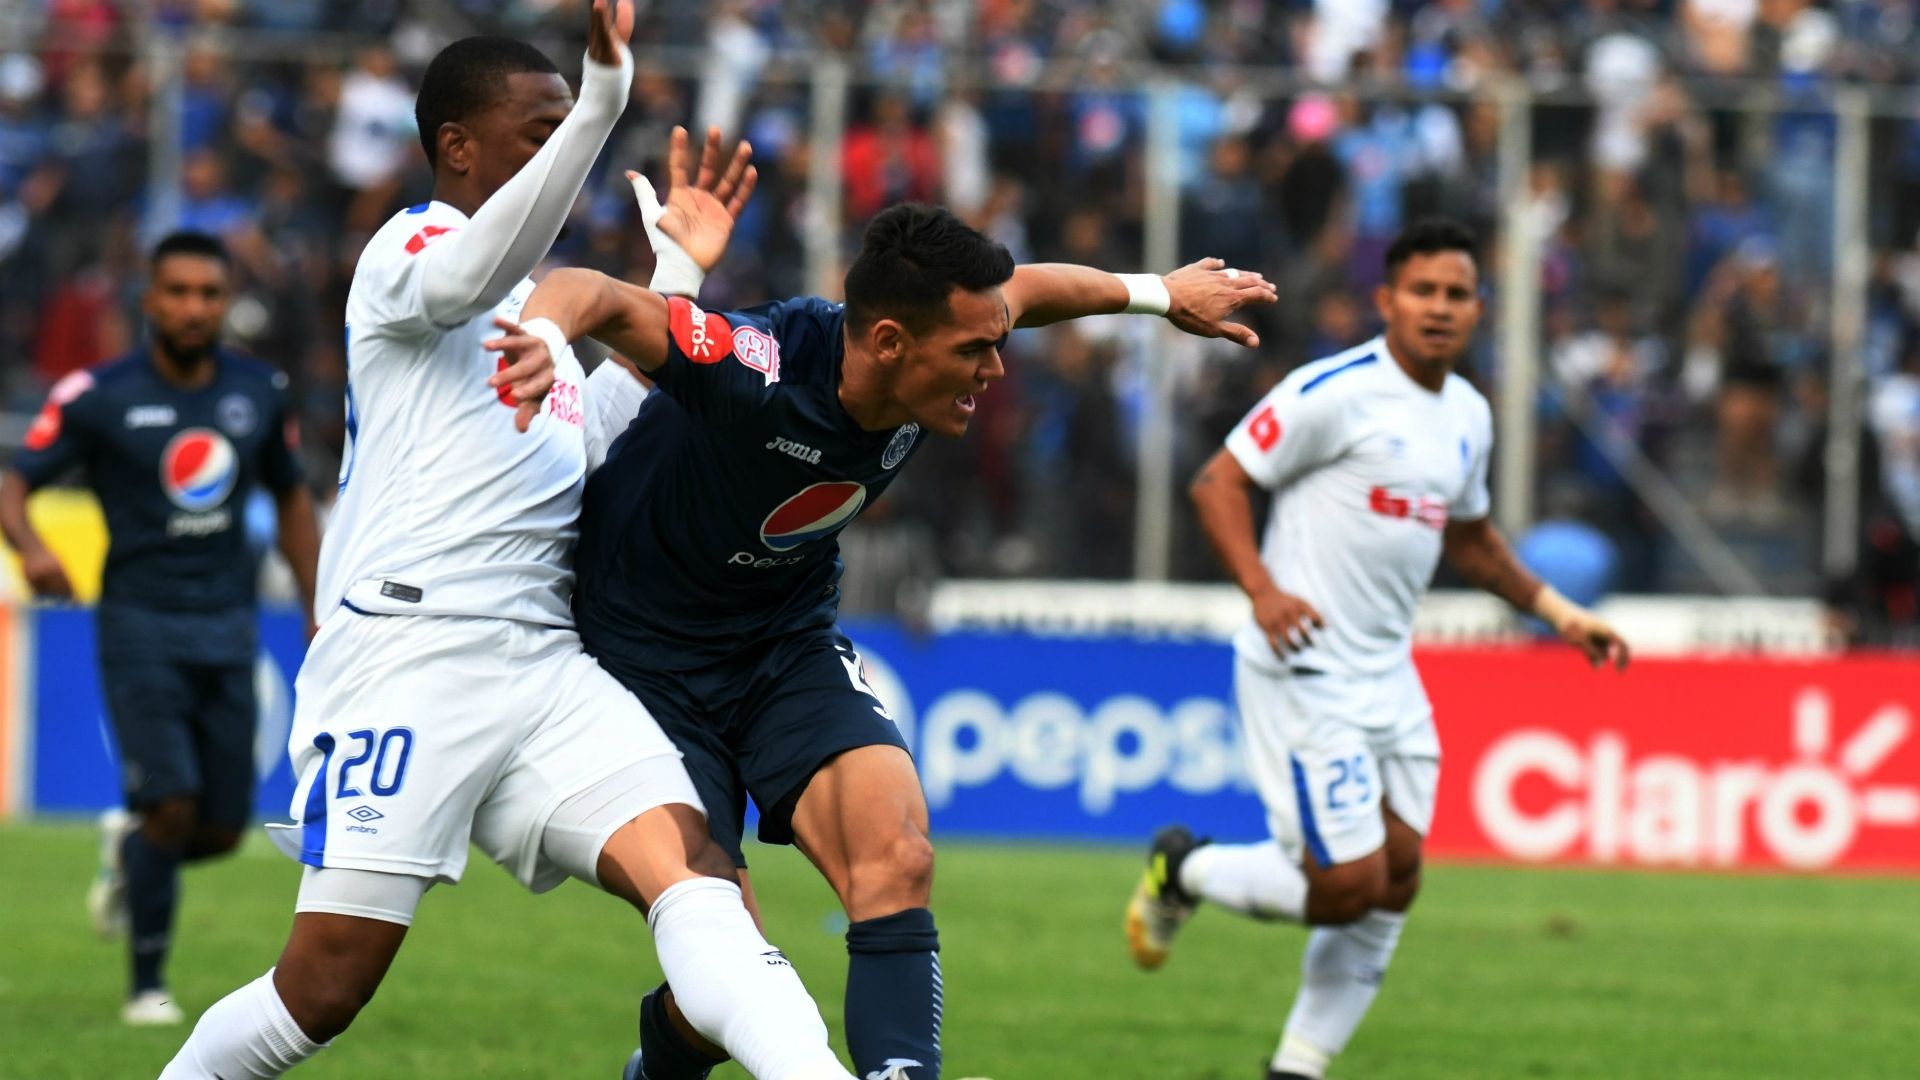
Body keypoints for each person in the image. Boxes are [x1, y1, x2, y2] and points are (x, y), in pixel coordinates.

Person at [158, 5, 853, 1078]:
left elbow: (600, 445)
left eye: (569, 128)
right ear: (457, 147)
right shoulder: (409, 253)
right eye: (540, 131)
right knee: (323, 991)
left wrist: (675, 275)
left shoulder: (536, 312)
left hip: (543, 667)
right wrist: (606, 103)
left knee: (698, 872)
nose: (559, 150)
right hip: (411, 656)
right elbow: (462, 281)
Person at [491, 199, 1278, 1080]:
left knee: (897, 857)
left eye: (995, 343)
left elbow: (1038, 289)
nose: (994, 369)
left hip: (782, 640)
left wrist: (1158, 294)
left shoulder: (957, 321)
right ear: (893, 343)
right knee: (727, 961)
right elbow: (587, 290)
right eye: (974, 353)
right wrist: (544, 344)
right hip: (644, 668)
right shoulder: (758, 365)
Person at [1124, 219, 1631, 1080]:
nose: (1439, 308)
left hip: (1389, 672)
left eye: (1456, 293)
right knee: (1349, 886)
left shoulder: (1468, 414)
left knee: (1399, 879)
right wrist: (1265, 590)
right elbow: (1219, 481)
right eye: (1422, 291)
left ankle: (1298, 1066)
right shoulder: (1336, 390)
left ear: (1479, 307)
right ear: (1386, 300)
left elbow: (1469, 541)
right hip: (1305, 664)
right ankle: (1187, 868)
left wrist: (1557, 611)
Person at [0, 230, 319, 1027]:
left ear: (225, 305)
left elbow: (289, 499)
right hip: (139, 623)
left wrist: (318, 608)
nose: (192, 307)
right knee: (171, 805)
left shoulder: (257, 391)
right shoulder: (99, 394)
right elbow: (14, 481)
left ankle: (127, 852)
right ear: (149, 300)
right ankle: (147, 987)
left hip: (229, 624)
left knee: (215, 827)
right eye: (176, 292)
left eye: (208, 294)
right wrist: (33, 550)